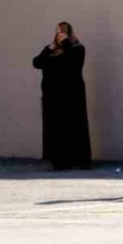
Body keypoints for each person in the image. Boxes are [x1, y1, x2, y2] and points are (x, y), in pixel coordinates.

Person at [31, 22, 92, 171]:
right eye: (58, 32)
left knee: (74, 127)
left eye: (64, 33)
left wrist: (66, 43)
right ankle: (59, 161)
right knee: (56, 129)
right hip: (53, 96)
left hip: (71, 96)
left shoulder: (77, 49)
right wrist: (48, 50)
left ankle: (79, 160)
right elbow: (37, 63)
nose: (60, 35)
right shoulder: (50, 50)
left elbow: (74, 62)